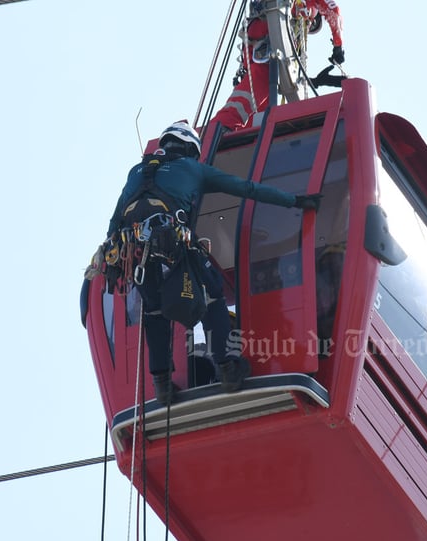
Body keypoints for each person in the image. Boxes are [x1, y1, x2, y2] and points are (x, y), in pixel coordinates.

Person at [100, 121, 321, 405]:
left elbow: (115, 221)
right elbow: (246, 188)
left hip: (135, 251)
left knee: (154, 312)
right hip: (174, 244)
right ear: (191, 149)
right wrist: (294, 201)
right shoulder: (194, 169)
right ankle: (228, 369)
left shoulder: (136, 171)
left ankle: (163, 387)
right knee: (214, 293)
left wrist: (113, 257)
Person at [210, 0, 345, 131]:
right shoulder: (304, 7)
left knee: (263, 102)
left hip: (257, 43)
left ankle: (243, 135)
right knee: (261, 82)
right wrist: (338, 47)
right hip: (270, 40)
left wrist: (314, 81)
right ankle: (222, 124)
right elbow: (333, 11)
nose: (308, 26)